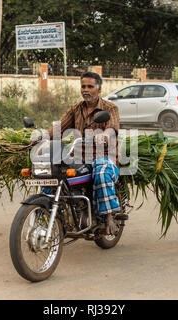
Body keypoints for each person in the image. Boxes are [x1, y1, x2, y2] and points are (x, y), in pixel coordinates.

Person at [44, 71, 122, 235]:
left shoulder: (110, 108)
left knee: (101, 173)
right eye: (83, 86)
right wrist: (42, 136)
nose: (86, 89)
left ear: (99, 89)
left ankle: (108, 218)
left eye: (90, 86)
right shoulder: (76, 109)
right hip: (79, 158)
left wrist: (103, 137)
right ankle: (45, 212)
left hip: (104, 157)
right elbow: (59, 127)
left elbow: (112, 129)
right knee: (53, 173)